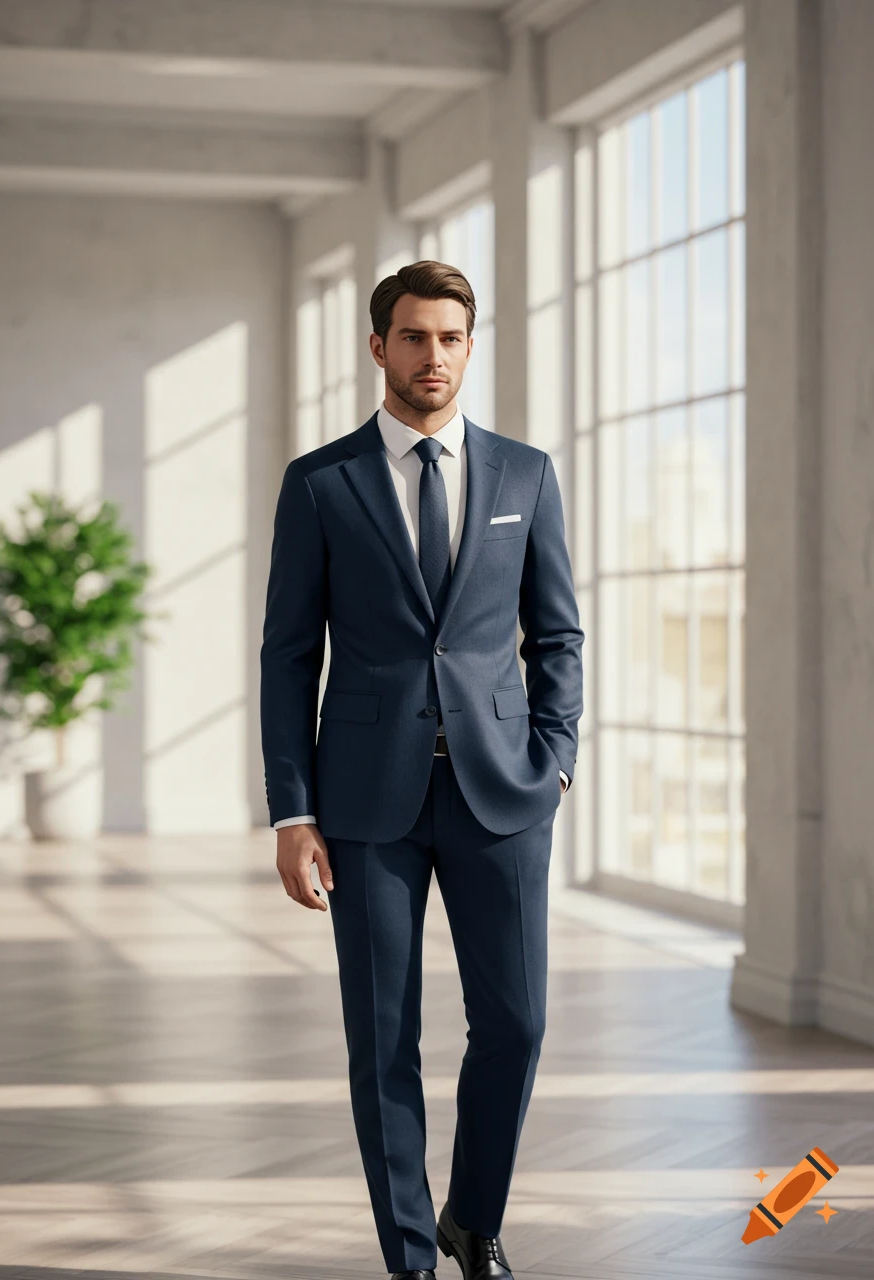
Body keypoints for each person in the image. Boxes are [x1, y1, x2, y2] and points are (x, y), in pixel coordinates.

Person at [260, 260, 584, 1280]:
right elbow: (287, 654)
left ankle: (471, 1219)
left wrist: (556, 760)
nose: (432, 356)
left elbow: (558, 635)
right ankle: (409, 1256)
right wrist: (291, 811)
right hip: (365, 800)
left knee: (517, 1023)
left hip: (502, 792)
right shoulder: (321, 482)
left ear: (469, 347)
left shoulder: (526, 474)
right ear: (378, 347)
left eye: (449, 337)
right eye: (412, 336)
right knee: (382, 1038)